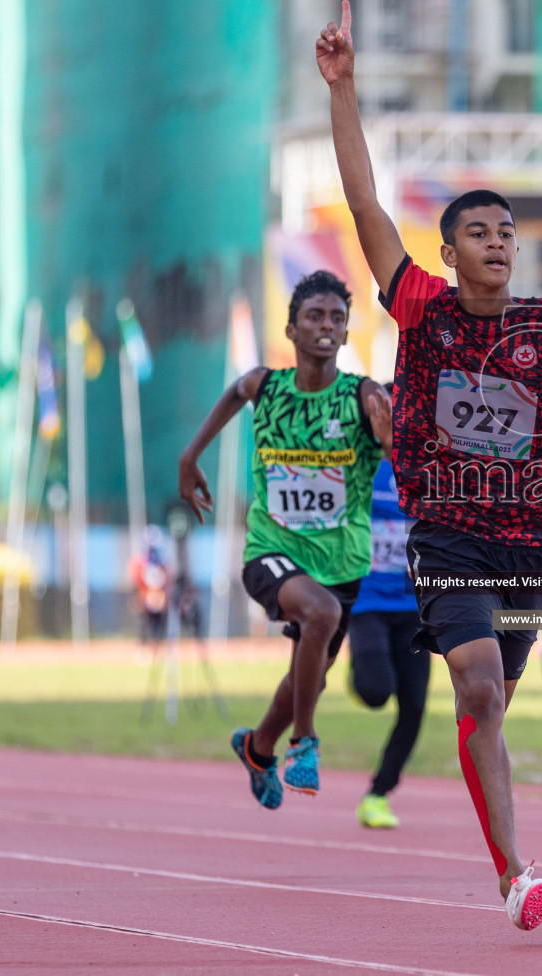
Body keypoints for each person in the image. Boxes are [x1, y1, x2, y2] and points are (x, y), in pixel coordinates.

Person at [319, 1, 542, 931]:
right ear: (449, 254)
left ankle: (491, 784)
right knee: (480, 685)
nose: (498, 241)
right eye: (479, 232)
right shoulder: (419, 306)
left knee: (496, 690)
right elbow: (368, 204)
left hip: (530, 544)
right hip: (446, 533)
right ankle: (514, 874)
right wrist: (344, 90)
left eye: (507, 231)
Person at [179, 269, 392, 803]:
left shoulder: (363, 397)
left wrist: (390, 435)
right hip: (270, 551)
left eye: (337, 319)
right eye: (314, 316)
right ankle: (305, 741)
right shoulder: (266, 387)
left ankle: (257, 747)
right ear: (291, 329)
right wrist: (190, 457)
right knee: (320, 615)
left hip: (341, 562)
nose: (326, 326)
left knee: (308, 678)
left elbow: (398, 456)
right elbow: (234, 391)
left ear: (347, 335)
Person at [346, 451, 429, 829]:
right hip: (369, 603)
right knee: (376, 690)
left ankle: (378, 793)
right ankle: (360, 674)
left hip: (414, 607)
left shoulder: (427, 473)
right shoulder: (360, 469)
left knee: (413, 706)